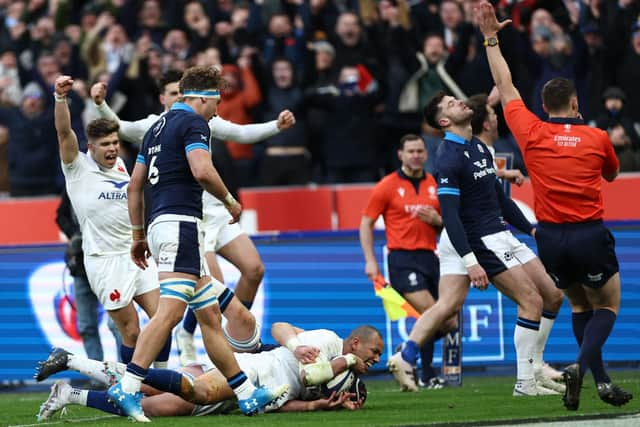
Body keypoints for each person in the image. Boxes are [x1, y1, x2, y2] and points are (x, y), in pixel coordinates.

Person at [474, 0, 633, 410]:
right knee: (608, 304)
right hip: (587, 232)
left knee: (580, 304)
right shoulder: (598, 138)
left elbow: (506, 86)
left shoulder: (531, 131)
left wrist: (491, 39)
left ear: (544, 107)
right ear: (575, 104)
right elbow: (612, 175)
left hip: (549, 238)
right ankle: (580, 365)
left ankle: (600, 382)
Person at [110, 65, 287, 421]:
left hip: (162, 224)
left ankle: (246, 392)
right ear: (200, 98)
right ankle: (127, 387)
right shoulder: (194, 123)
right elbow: (202, 169)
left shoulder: (156, 127)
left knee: (209, 314)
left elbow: (134, 186)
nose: (217, 111)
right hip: (182, 224)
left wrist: (138, 235)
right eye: (215, 102)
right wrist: (229, 200)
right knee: (171, 313)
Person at [387, 88, 564, 396]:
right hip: (473, 238)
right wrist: (472, 262)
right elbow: (451, 217)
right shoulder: (448, 157)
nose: (459, 101)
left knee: (551, 295)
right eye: (450, 103)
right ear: (444, 120)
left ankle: (405, 356)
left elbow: (498, 197)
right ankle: (527, 379)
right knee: (532, 301)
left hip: (489, 234)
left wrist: (532, 230)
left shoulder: (479, 147)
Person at [51, 75, 171, 372]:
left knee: (164, 319)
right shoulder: (77, 167)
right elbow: (64, 132)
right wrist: (59, 98)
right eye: (105, 144)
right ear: (90, 147)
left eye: (115, 142)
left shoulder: (120, 164)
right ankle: (134, 387)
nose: (113, 148)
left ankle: (163, 377)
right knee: (130, 331)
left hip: (136, 254)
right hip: (104, 261)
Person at [35, 322, 381, 419]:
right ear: (354, 343)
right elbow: (286, 336)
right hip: (250, 372)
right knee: (176, 397)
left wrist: (316, 406)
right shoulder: (331, 342)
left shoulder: (344, 378)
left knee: (145, 399)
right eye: (373, 352)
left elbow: (285, 399)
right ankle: (74, 362)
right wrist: (295, 345)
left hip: (242, 394)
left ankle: (70, 391)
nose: (376, 359)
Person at [359, 133, 446, 389]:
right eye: (411, 151)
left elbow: (448, 224)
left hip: (431, 257)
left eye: (420, 151)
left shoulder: (435, 184)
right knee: (431, 313)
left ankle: (407, 350)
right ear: (401, 155)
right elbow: (366, 223)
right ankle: (427, 373)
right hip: (402, 259)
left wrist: (437, 221)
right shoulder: (387, 185)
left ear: (426, 154)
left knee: (446, 321)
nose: (416, 155)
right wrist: (370, 261)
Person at [55, 188, 123, 365]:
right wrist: (77, 235)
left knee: (117, 324)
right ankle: (97, 375)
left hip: (107, 266)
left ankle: (125, 372)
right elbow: (60, 216)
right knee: (86, 325)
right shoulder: (72, 185)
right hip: (81, 268)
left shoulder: (107, 185)